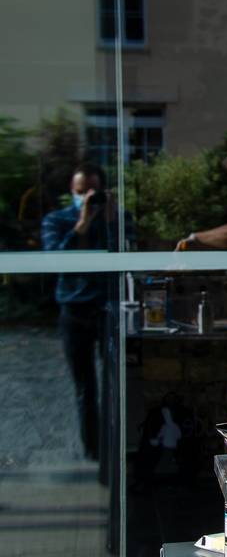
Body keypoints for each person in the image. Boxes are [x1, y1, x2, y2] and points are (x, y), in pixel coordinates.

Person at [41, 163, 127, 461]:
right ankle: (93, 451)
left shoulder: (115, 218)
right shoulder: (57, 220)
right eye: (81, 192)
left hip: (107, 310)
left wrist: (111, 218)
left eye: (93, 191)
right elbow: (54, 260)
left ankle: (114, 449)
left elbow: (127, 252)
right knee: (84, 388)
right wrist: (82, 222)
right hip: (74, 311)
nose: (88, 197)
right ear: (72, 192)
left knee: (115, 386)